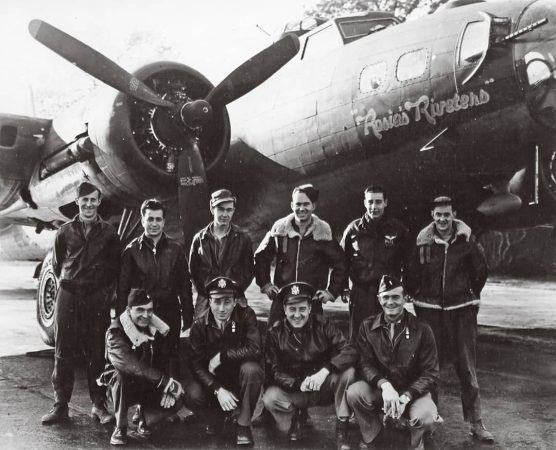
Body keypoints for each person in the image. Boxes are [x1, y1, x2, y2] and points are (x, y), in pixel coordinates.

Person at [406, 196, 493, 442]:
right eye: (438, 215)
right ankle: (431, 419)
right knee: (430, 367)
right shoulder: (423, 242)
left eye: (447, 214)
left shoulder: (467, 240)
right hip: (430, 310)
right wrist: (420, 296)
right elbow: (412, 273)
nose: (443, 220)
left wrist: (468, 294)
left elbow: (481, 271)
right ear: (432, 216)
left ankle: (476, 423)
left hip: (461, 311)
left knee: (466, 367)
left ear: (454, 214)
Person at [42, 181, 120, 425]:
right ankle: (60, 407)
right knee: (63, 351)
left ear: (99, 202)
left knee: (96, 352)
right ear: (77, 202)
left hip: (96, 296)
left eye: (93, 200)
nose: (88, 204)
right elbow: (56, 265)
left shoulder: (109, 232)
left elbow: (114, 266)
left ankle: (98, 406)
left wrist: (104, 293)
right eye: (84, 200)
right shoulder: (64, 231)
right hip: (69, 294)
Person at [347, 275, 441, 450]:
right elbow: (364, 363)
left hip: (413, 394)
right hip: (383, 393)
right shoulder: (367, 327)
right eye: (386, 297)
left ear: (405, 299)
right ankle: (374, 436)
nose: (390, 302)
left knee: (426, 415)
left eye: (396, 297)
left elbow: (431, 373)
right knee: (354, 393)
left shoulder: (422, 329)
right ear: (379, 300)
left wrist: (406, 396)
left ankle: (414, 441)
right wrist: (385, 385)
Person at [262, 282, 357, 449]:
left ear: (310, 308)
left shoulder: (323, 324)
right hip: (296, 390)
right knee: (270, 397)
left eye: (302, 309)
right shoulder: (275, 333)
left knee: (348, 372)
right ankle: (295, 418)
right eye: (292, 309)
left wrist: (325, 371)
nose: (297, 315)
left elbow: (350, 350)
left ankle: (342, 426)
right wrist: (297, 383)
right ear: (284, 309)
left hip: (323, 386)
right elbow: (273, 371)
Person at [117, 198, 193, 377]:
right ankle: (144, 400)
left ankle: (172, 398)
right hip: (143, 313)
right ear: (142, 220)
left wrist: (188, 317)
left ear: (164, 222)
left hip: (170, 310)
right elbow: (123, 288)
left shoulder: (176, 249)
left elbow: (185, 285)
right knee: (144, 355)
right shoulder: (131, 251)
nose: (154, 224)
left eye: (158, 219)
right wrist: (120, 320)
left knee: (170, 356)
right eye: (150, 219)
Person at [184, 277, 264, 446]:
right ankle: (215, 417)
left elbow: (255, 348)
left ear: (235, 302)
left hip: (237, 379)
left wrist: (222, 356)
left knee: (253, 369)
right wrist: (217, 389)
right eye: (217, 301)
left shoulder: (246, 315)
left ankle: (243, 424)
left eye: (227, 302)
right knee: (191, 392)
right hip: (213, 384)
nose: (222, 308)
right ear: (209, 302)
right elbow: (196, 365)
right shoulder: (199, 325)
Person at [99, 289, 185, 446]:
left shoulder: (157, 328)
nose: (146, 315)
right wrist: (165, 382)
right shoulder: (115, 331)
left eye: (149, 310)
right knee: (119, 375)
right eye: (140, 310)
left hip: (148, 383)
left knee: (179, 397)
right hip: (124, 387)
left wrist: (172, 383)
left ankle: (144, 418)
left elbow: (169, 356)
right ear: (128, 310)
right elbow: (130, 365)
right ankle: (120, 427)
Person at [254, 184, 347, 327]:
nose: (301, 209)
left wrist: (331, 291)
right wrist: (265, 284)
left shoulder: (323, 233)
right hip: (282, 299)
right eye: (298, 204)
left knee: (314, 345)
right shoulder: (279, 230)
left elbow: (341, 263)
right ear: (292, 205)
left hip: (312, 301)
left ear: (314, 206)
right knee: (274, 342)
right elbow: (261, 256)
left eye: (306, 204)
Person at [341, 185, 409, 340]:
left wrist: (407, 287)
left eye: (378, 202)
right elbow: (342, 260)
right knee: (359, 337)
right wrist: (344, 287)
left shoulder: (398, 229)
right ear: (365, 203)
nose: (374, 207)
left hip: (389, 293)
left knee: (388, 337)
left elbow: (407, 260)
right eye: (370, 202)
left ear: (386, 202)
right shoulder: (353, 229)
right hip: (362, 292)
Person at [189, 189, 254, 319]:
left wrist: (235, 291)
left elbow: (249, 271)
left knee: (239, 330)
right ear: (212, 209)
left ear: (234, 211)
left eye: (229, 210)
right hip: (206, 299)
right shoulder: (200, 239)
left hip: (234, 296)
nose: (225, 214)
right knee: (200, 332)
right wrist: (206, 292)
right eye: (221, 209)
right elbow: (193, 271)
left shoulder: (243, 238)